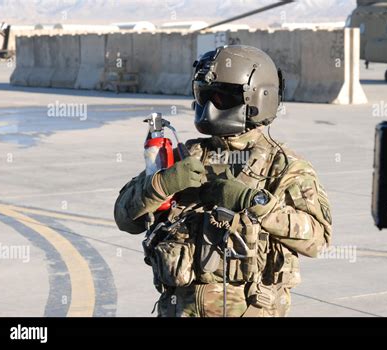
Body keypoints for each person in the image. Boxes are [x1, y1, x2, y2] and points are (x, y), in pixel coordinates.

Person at [114, 45, 332, 317]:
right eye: (204, 96)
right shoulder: (187, 155)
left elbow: (318, 240)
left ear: (258, 100)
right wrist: (160, 185)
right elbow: (124, 218)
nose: (210, 107)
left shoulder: (284, 166)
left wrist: (255, 202)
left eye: (222, 97)